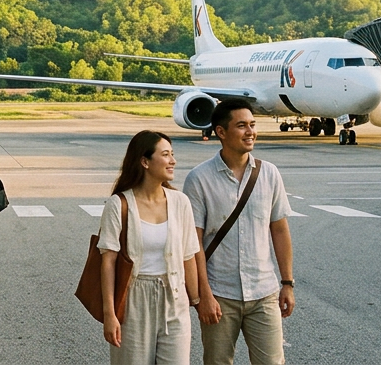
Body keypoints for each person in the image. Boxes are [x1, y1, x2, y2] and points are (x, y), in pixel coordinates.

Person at [183, 100, 295, 365]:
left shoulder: (269, 174)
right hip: (220, 294)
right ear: (221, 132)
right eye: (241, 126)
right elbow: (193, 243)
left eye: (253, 125)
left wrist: (287, 283)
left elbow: (279, 229)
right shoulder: (199, 179)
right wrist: (203, 296)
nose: (250, 132)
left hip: (263, 292)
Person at [98, 131, 201, 364]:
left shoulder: (180, 202)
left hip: (174, 298)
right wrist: (110, 314)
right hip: (134, 300)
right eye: (165, 155)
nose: (173, 161)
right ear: (145, 162)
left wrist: (196, 301)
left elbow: (188, 256)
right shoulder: (119, 204)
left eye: (172, 154)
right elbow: (108, 262)